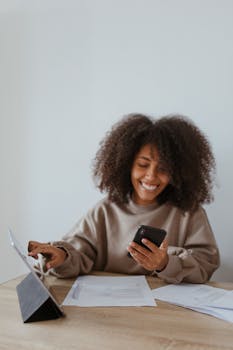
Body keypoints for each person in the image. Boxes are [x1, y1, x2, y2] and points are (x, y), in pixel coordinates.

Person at [28, 113, 220, 284]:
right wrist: (61, 255)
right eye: (143, 164)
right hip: (111, 312)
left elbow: (206, 264)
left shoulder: (189, 213)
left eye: (163, 169)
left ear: (178, 172)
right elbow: (78, 252)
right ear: (126, 164)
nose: (151, 176)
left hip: (166, 314)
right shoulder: (105, 211)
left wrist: (165, 264)